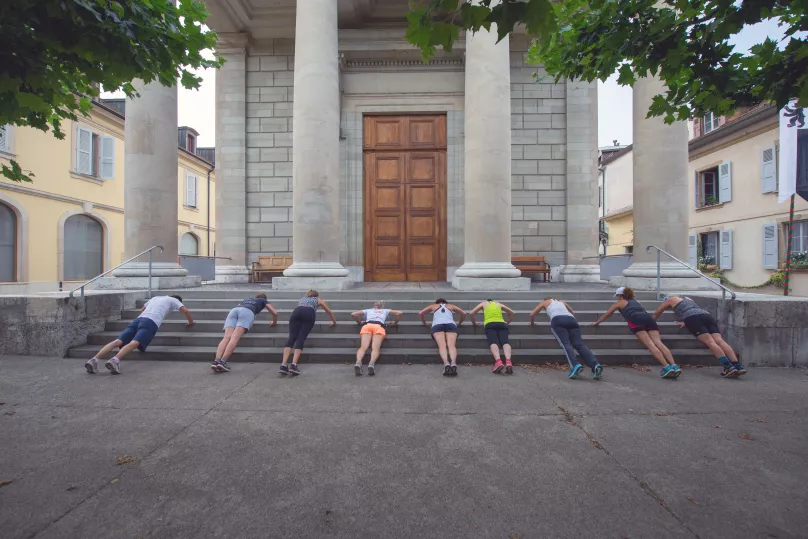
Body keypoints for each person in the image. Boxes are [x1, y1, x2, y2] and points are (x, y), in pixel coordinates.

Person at [85, 295, 194, 375]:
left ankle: (94, 360)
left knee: (118, 341)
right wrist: (190, 322)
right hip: (151, 322)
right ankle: (115, 360)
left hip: (138, 320)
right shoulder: (174, 300)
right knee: (135, 342)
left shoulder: (155, 298)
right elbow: (185, 310)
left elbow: (143, 309)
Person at [592, 287, 681, 379]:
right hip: (649, 319)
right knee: (659, 343)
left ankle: (666, 367)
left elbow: (607, 315)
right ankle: (674, 366)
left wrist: (596, 323)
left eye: (617, 296)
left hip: (636, 321)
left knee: (650, 345)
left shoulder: (619, 303)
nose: (617, 298)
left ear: (620, 295)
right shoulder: (636, 301)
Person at [653, 295, 746, 377]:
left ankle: (729, 366)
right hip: (706, 315)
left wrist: (652, 322)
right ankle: (738, 366)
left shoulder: (670, 299)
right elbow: (693, 309)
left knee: (710, 342)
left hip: (692, 317)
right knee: (720, 341)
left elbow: (658, 312)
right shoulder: (688, 299)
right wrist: (686, 321)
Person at [530, 297, 603, 380]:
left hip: (557, 319)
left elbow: (532, 314)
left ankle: (575, 365)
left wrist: (532, 323)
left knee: (565, 343)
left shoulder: (545, 302)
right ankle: (595, 365)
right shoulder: (562, 302)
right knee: (579, 344)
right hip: (572, 320)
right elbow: (572, 312)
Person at [211, 293, 278, 373]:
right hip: (246, 312)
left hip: (234, 311)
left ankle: (216, 361)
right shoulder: (263, 300)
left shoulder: (247, 299)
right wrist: (274, 322)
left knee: (226, 338)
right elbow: (275, 313)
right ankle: (222, 362)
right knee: (234, 338)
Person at [279, 290, 337, 376]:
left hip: (296, 312)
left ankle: (283, 365)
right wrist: (334, 321)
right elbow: (329, 311)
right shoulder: (318, 300)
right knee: (301, 338)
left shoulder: (302, 299)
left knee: (291, 338)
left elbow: (300, 307)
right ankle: (294, 365)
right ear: (316, 295)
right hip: (309, 313)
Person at [350, 301, 403, 376]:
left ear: (374, 306)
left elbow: (353, 314)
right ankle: (371, 364)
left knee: (363, 347)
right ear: (382, 306)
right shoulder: (385, 310)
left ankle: (358, 362)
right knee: (375, 348)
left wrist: (359, 322)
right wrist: (395, 323)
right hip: (378, 327)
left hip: (367, 326)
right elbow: (399, 313)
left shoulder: (368, 310)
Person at [419, 298, 467, 376]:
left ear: (437, 303)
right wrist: (459, 323)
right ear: (446, 302)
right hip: (451, 325)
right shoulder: (451, 306)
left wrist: (425, 323)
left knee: (442, 346)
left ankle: (446, 363)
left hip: (437, 325)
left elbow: (421, 313)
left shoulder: (433, 306)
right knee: (451, 345)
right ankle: (453, 363)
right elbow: (464, 313)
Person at [470, 299, 516, 374]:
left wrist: (474, 323)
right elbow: (513, 313)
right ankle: (508, 361)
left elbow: (471, 313)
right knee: (505, 342)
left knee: (493, 342)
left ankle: (498, 361)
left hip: (490, 324)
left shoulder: (484, 303)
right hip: (501, 324)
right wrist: (507, 322)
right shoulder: (498, 304)